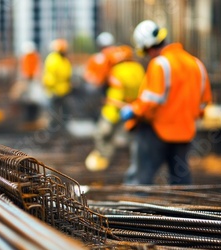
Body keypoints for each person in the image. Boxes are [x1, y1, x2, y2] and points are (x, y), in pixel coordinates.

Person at [119, 20, 212, 185]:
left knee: (140, 181)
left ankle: (135, 207)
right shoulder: (197, 64)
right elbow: (204, 104)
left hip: (156, 132)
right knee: (181, 182)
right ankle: (183, 210)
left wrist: (133, 110)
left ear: (148, 47)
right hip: (185, 133)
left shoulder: (160, 64)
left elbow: (150, 102)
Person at [85, 45, 145, 172]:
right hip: (134, 110)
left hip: (113, 110)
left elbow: (106, 86)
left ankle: (103, 160)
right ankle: (131, 164)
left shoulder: (116, 70)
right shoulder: (139, 68)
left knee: (102, 135)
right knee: (131, 139)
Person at [83, 32, 117, 121]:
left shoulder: (114, 58)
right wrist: (94, 80)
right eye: (105, 47)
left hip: (112, 87)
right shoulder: (95, 59)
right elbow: (88, 74)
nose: (107, 49)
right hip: (99, 88)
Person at [42, 39, 72, 137]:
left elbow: (67, 75)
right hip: (54, 92)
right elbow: (51, 77)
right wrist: (52, 88)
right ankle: (52, 134)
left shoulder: (64, 60)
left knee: (63, 114)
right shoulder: (54, 59)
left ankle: (61, 133)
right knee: (54, 115)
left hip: (63, 91)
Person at [18, 41, 43, 128]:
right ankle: (29, 118)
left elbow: (36, 69)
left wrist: (35, 77)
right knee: (28, 100)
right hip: (28, 80)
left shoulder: (34, 57)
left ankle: (33, 118)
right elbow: (24, 69)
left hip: (33, 80)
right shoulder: (26, 57)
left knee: (34, 100)